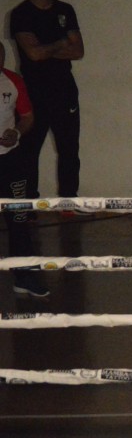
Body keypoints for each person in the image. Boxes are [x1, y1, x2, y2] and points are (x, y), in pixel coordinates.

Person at [10, 0, 83, 203]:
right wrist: (61, 43)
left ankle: (69, 200)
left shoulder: (65, 10)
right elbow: (33, 54)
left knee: (69, 148)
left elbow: (78, 50)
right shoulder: (22, 14)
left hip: (64, 87)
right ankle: (30, 202)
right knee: (30, 148)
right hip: (34, 89)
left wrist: (46, 48)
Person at [0, 41, 48, 298]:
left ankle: (25, 275)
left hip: (10, 160)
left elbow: (28, 117)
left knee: (19, 218)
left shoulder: (13, 81)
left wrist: (16, 132)